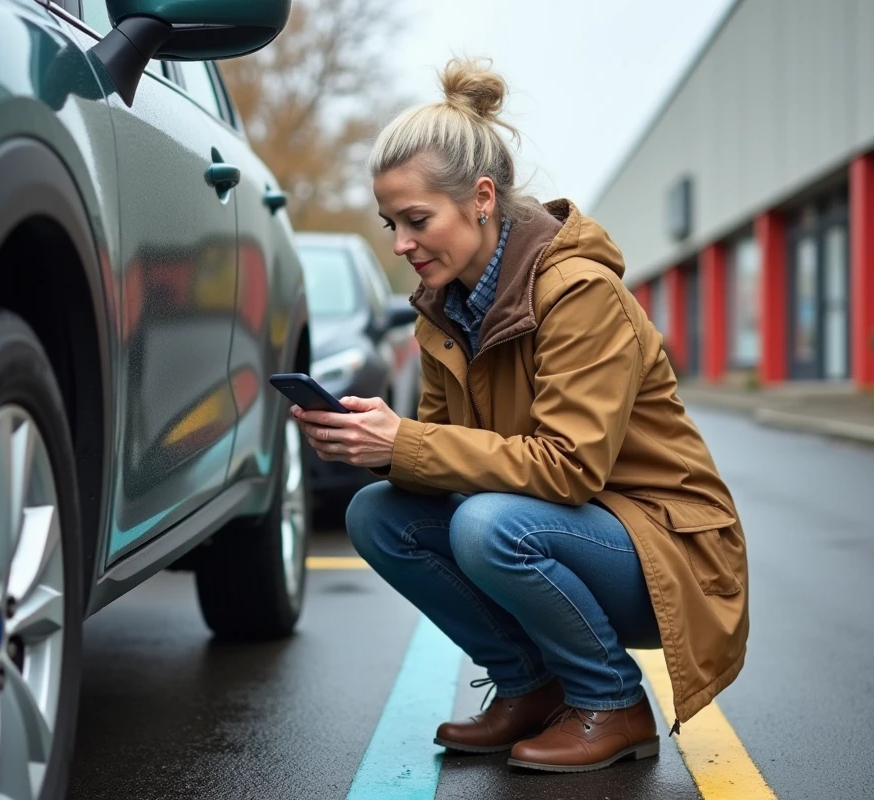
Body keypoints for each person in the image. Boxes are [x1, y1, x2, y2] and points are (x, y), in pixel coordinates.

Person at [291, 57, 749, 774]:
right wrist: (378, 448)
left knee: (489, 524)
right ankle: (530, 688)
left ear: (480, 198)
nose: (400, 244)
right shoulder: (441, 313)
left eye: (417, 220)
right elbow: (448, 458)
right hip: (567, 529)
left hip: (667, 549)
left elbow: (567, 467)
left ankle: (612, 702)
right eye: (391, 224)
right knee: (376, 515)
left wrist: (409, 439)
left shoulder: (579, 294)